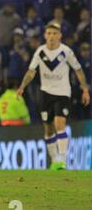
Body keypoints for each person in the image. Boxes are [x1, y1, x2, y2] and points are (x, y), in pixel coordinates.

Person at [17, 21, 90, 170]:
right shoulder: (40, 52)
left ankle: (62, 160)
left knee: (59, 124)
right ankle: (54, 160)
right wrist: (22, 87)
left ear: (60, 36)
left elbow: (78, 70)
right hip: (45, 94)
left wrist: (85, 90)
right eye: (49, 33)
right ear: (45, 35)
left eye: (55, 33)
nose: (51, 36)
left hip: (63, 93)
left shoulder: (66, 52)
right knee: (48, 128)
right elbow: (31, 72)